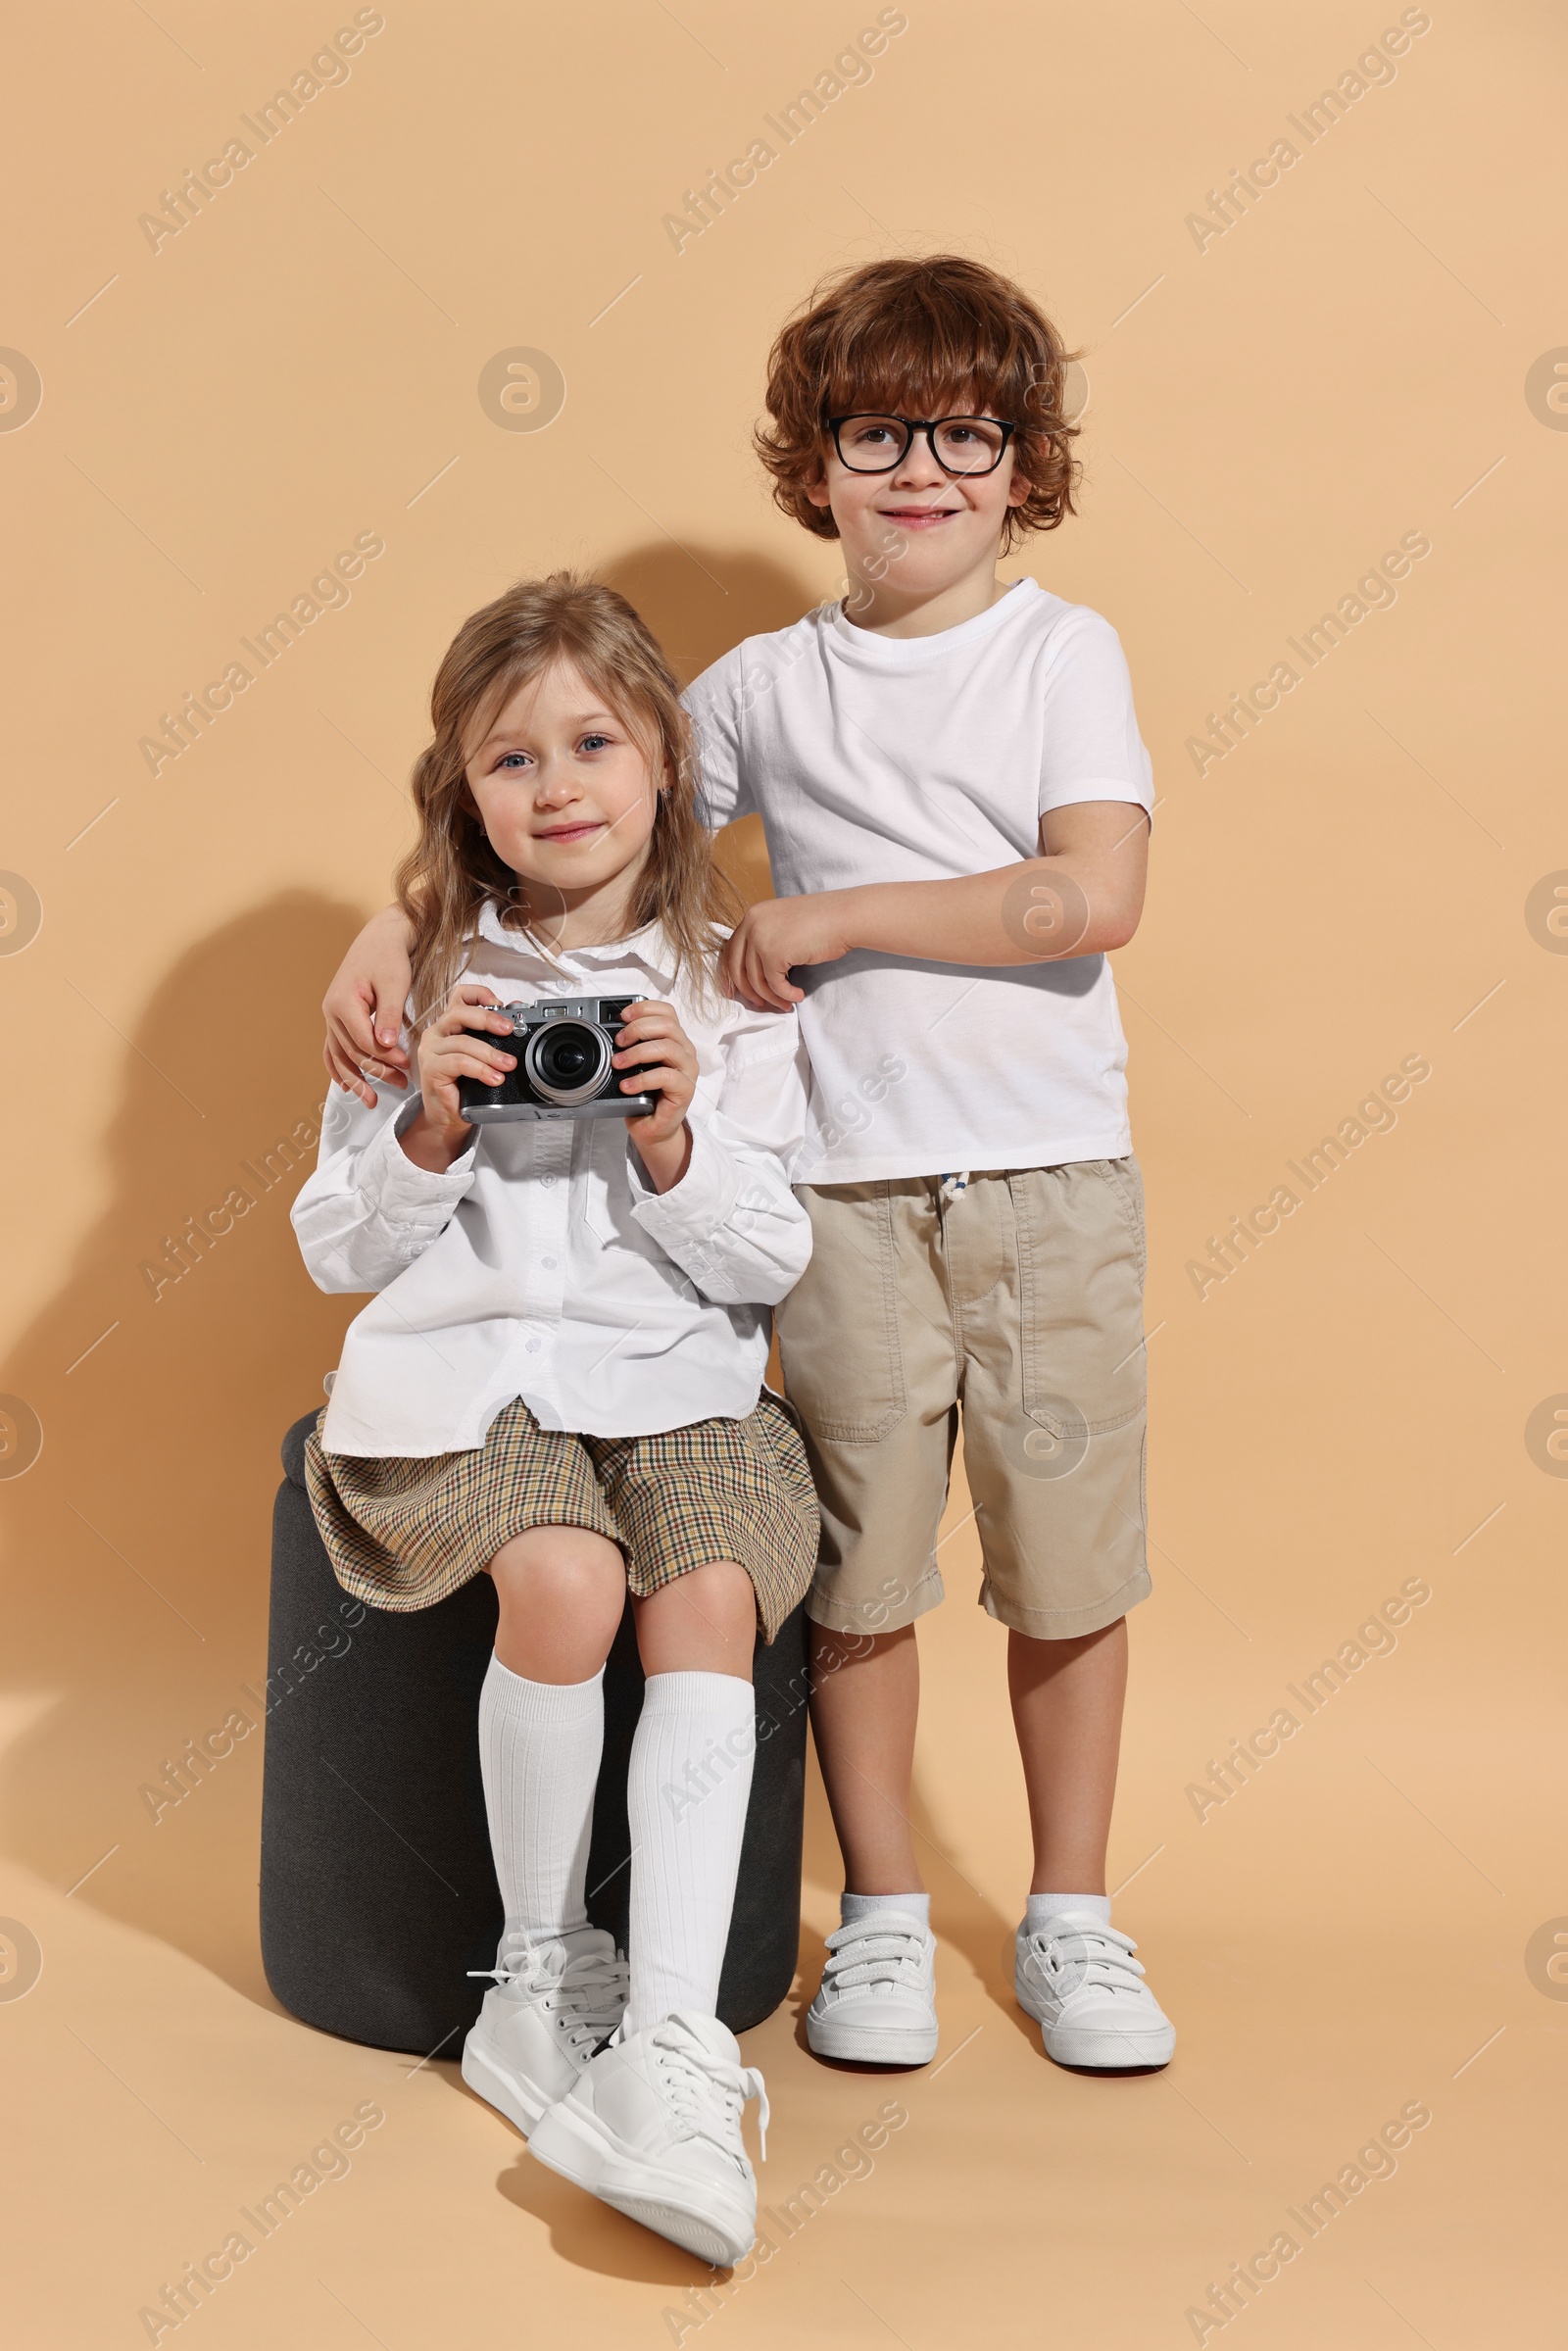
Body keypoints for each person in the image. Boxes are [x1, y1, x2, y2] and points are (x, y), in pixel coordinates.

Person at [320, 254, 1176, 2076]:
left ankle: (1074, 1914)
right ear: (818, 458)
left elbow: (1090, 896)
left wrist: (827, 911)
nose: (922, 470)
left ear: (1026, 461)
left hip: (1052, 1176)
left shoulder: (1061, 653)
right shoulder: (769, 686)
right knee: (863, 1575)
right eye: (879, 434)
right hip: (840, 1190)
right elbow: (570, 793)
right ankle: (876, 1918)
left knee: (1069, 1563)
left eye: (966, 435)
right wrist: (397, 934)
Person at [292, 573, 816, 2265]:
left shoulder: (725, 990)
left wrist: (673, 1138)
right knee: (572, 1588)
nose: (560, 782)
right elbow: (333, 1249)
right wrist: (430, 1126)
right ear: (465, 791)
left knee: (711, 1599)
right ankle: (536, 1981)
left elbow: (776, 1248)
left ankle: (668, 2046)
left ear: (665, 755)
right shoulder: (419, 984)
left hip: (674, 1376)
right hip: (468, 1378)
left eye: (594, 740)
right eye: (510, 759)